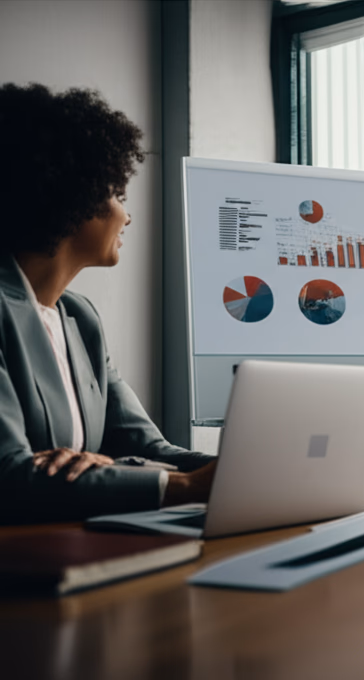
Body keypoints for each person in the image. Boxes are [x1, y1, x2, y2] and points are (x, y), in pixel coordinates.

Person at [0, 83, 216, 524]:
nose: (127, 215)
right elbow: (10, 477)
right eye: (118, 195)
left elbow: (146, 448)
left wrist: (239, 470)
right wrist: (186, 487)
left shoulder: (79, 317)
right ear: (72, 198)